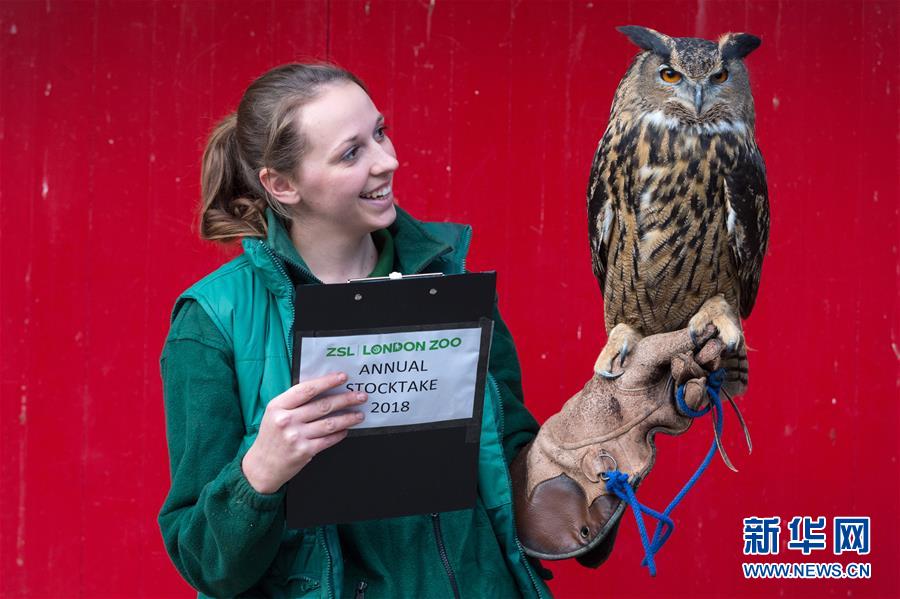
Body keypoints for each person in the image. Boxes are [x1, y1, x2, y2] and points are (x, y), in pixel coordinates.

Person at [158, 63, 553, 598]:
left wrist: (590, 454)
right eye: (352, 152)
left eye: (381, 132)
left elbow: (511, 462)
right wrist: (260, 471)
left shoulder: (449, 283)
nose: (388, 161)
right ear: (282, 184)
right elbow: (205, 562)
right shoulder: (213, 320)